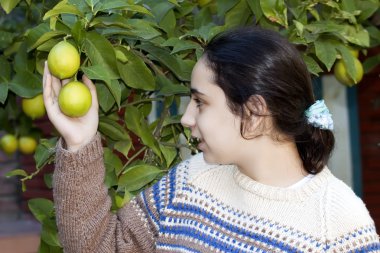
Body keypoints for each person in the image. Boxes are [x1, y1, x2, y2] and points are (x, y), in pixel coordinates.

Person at [43, 26, 380, 253]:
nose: (187, 118)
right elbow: (102, 246)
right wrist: (79, 142)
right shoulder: (192, 179)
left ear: (254, 112)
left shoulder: (338, 226)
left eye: (201, 102)